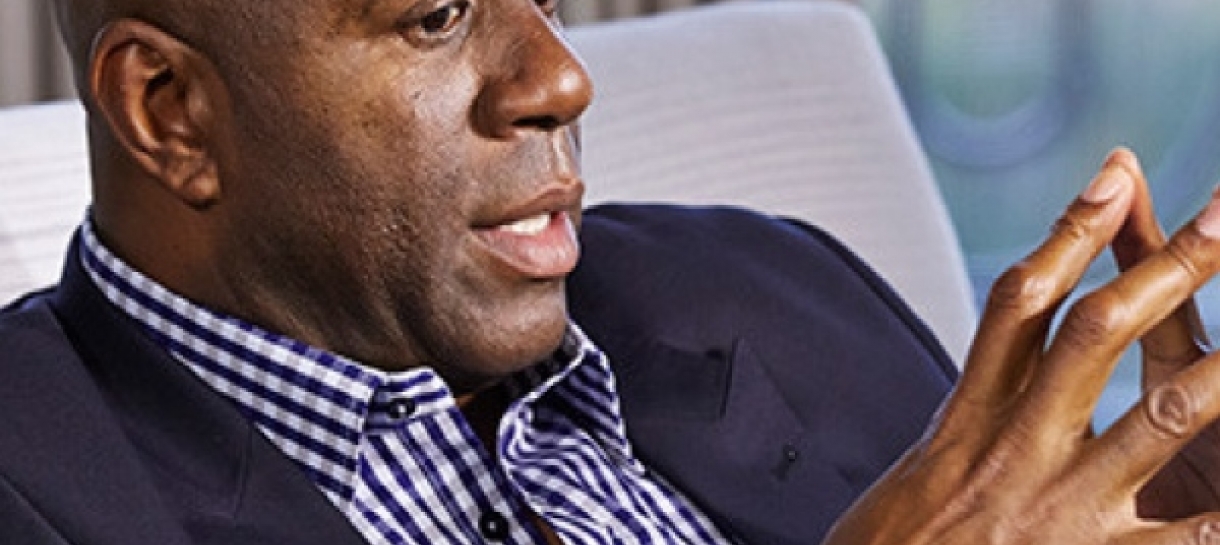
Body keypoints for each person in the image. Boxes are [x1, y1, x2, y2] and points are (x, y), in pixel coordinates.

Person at [3, 0, 1220, 543]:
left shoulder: (765, 281)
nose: (561, 78)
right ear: (169, 110)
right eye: (436, 15)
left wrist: (1158, 509)